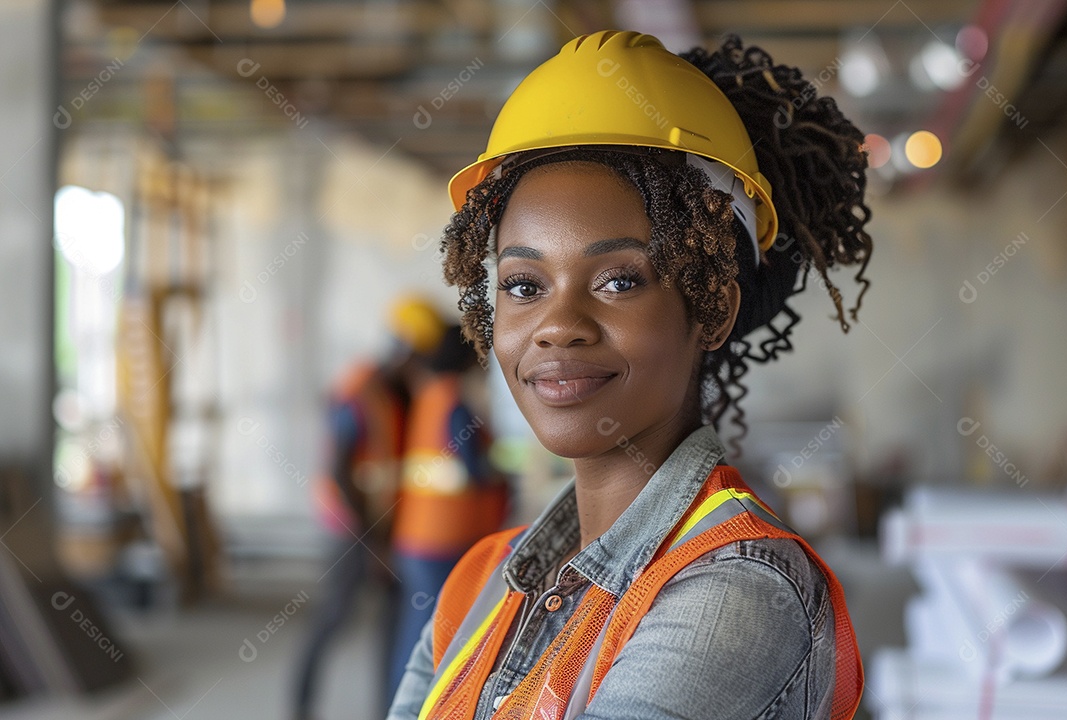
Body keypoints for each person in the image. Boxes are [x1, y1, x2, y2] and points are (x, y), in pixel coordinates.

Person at [388, 30, 871, 720]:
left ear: (711, 308)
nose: (558, 324)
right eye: (524, 285)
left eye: (618, 280)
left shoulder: (736, 589)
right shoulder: (481, 581)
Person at [292, 296, 445, 720]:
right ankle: (299, 708)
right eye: (418, 355)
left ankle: (386, 710)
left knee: (393, 627)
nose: (422, 364)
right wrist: (371, 540)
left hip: (388, 526)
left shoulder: (406, 394)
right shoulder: (359, 391)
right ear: (402, 347)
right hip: (350, 526)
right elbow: (341, 471)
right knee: (333, 617)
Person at [387, 324, 509, 703]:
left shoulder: (430, 394)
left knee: (414, 634)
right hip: (444, 539)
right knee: (432, 642)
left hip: (416, 536)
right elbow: (474, 469)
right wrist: (504, 474)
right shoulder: (456, 401)